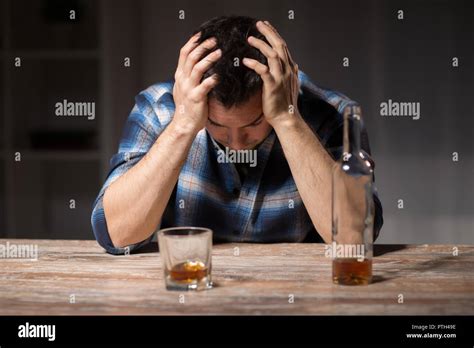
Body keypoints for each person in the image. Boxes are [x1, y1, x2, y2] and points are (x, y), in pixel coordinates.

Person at [91, 15, 383, 255]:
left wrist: (287, 120)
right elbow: (116, 233)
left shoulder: (335, 113)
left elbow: (354, 238)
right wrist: (182, 125)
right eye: (217, 125)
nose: (235, 142)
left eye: (253, 123)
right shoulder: (159, 109)